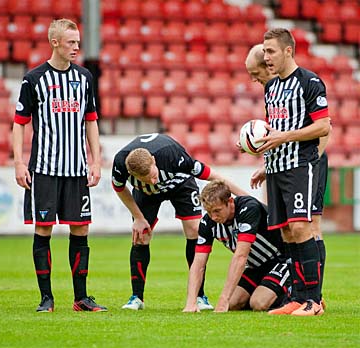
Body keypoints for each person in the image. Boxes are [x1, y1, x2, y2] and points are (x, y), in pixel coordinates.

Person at [12, 18, 107, 313]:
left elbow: (91, 121)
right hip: (44, 169)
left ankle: (81, 298)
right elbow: (19, 123)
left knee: (81, 230)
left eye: (78, 42)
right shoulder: (34, 79)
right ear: (55, 43)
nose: (77, 47)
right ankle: (46, 298)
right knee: (43, 230)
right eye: (71, 42)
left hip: (76, 170)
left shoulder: (84, 78)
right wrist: (18, 162)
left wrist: (96, 160)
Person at [111, 133, 247, 310]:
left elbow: (215, 176)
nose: (154, 181)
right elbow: (119, 189)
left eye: (153, 175)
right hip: (146, 194)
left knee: (194, 230)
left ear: (153, 160)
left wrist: (247, 198)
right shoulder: (121, 164)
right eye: (147, 180)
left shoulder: (174, 156)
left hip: (180, 185)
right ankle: (137, 298)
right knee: (140, 235)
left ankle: (200, 296)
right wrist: (138, 218)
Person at [249, 28, 331, 316]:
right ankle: (297, 297)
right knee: (285, 232)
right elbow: (274, 130)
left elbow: (324, 127)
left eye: (270, 51)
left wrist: (285, 138)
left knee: (301, 227)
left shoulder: (309, 82)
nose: (265, 56)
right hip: (276, 167)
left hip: (300, 164)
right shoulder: (271, 88)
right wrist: (263, 159)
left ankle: (314, 300)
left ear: (287, 51)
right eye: (264, 50)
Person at [183, 180, 289, 313]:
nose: (214, 217)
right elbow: (198, 263)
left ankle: (298, 295)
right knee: (233, 303)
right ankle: (268, 289)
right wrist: (191, 302)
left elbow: (241, 256)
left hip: (283, 260)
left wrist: (223, 298)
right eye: (209, 212)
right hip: (256, 266)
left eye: (217, 211)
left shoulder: (248, 209)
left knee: (258, 303)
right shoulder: (208, 222)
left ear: (230, 202)